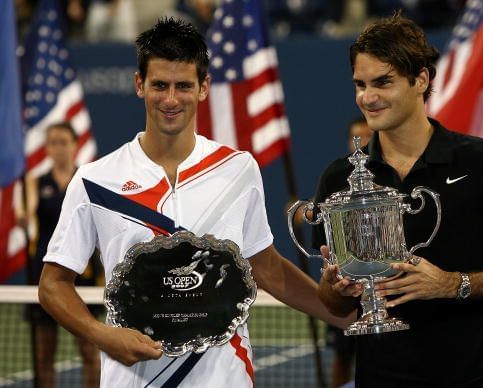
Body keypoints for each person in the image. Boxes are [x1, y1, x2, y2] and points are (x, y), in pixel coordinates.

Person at [37, 18, 347, 387]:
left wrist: (347, 318)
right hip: (134, 378)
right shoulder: (94, 180)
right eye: (159, 86)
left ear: (203, 88)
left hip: (225, 378)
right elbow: (52, 284)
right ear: (140, 85)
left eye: (183, 86)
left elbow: (266, 268)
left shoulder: (239, 169)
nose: (171, 99)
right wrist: (101, 334)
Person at [315, 11, 483, 387]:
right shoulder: (340, 178)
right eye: (360, 84)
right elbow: (334, 303)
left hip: (475, 380)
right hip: (380, 379)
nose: (367, 97)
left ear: (421, 79)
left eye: (383, 83)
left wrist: (452, 284)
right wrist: (337, 288)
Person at [22, 122, 101, 388]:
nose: (58, 148)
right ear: (47, 148)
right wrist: (23, 215)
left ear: (75, 145)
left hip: (82, 277)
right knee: (44, 355)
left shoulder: (87, 181)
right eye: (53, 143)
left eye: (63, 142)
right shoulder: (34, 183)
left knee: (90, 351)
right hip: (45, 275)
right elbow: (27, 212)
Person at [325, 116, 373, 388]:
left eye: (366, 137)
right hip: (348, 283)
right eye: (356, 138)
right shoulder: (336, 180)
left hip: (381, 288)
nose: (361, 144)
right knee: (342, 356)